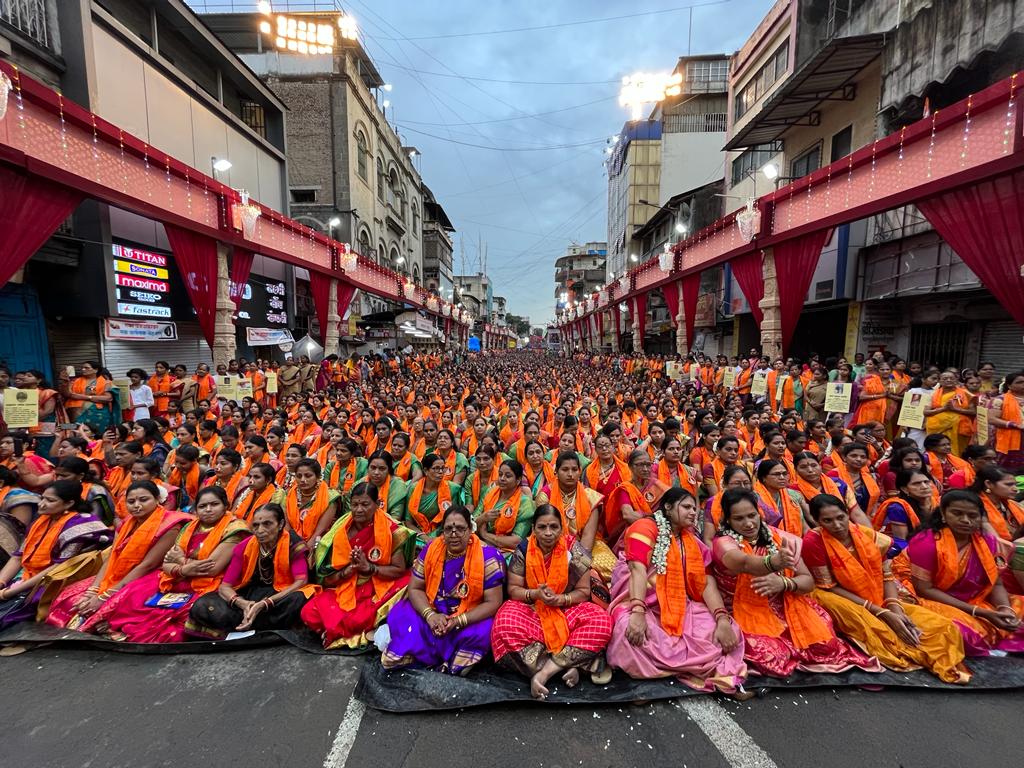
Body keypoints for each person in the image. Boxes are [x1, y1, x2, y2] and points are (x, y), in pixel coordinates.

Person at [802, 494, 970, 683]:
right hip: (836, 597)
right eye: (828, 521)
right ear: (817, 521)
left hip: (877, 594)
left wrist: (894, 608)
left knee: (944, 628)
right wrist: (881, 612)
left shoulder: (867, 535)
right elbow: (828, 586)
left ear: (847, 514)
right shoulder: (813, 542)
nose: (838, 525)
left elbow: (886, 576)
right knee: (885, 638)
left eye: (841, 517)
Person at [712, 488, 881, 677]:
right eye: (739, 519)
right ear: (728, 520)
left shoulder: (781, 539)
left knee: (826, 645)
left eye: (752, 515)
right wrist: (774, 562)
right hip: (744, 610)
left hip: (785, 606)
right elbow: (743, 562)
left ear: (760, 513)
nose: (748, 523)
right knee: (771, 655)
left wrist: (784, 583)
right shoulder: (723, 543)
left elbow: (808, 581)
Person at [606, 488, 747, 694]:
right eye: (686, 507)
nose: (693, 513)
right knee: (626, 634)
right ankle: (688, 666)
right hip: (638, 603)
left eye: (695, 509)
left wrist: (721, 618)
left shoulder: (692, 542)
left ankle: (667, 668)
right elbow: (637, 570)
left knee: (730, 630)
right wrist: (638, 612)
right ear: (668, 508)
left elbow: (706, 583)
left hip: (681, 605)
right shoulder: (644, 528)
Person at [491, 505, 613, 698]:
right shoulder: (524, 549)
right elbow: (514, 591)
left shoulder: (575, 550)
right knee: (504, 623)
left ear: (561, 528)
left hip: (567, 609)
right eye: (542, 527)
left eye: (554, 527)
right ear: (533, 529)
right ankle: (574, 665)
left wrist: (561, 599)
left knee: (600, 620)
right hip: (533, 610)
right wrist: (535, 595)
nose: (548, 533)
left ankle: (544, 673)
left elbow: (583, 592)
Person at [47, 480, 190, 632]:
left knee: (108, 607)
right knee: (70, 597)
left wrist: (104, 596)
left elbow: (148, 565)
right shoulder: (127, 522)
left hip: (151, 575)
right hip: (120, 572)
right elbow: (112, 556)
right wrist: (93, 590)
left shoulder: (170, 525)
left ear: (157, 499)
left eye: (144, 500)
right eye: (131, 501)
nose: (136, 505)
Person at [381, 506, 505, 675]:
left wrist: (457, 621)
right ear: (443, 532)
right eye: (448, 529)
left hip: (468, 616)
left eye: (460, 529)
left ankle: (431, 655)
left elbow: (493, 602)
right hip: (433, 611)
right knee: (402, 613)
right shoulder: (431, 549)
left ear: (470, 530)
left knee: (486, 629)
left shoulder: (488, 556)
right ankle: (438, 655)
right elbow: (415, 588)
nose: (454, 534)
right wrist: (430, 615)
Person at [907, 490, 1024, 654]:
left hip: (977, 599)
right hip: (934, 600)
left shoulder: (989, 543)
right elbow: (924, 590)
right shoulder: (927, 542)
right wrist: (980, 612)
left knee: (1018, 610)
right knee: (960, 634)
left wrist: (1005, 609)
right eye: (957, 513)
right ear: (943, 514)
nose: (965, 520)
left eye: (972, 516)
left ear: (981, 518)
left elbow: (996, 583)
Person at [302, 482, 411, 648]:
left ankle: (338, 631)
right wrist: (347, 571)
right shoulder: (339, 533)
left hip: (378, 585)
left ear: (377, 504)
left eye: (365, 504)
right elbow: (326, 579)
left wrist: (370, 568)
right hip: (346, 588)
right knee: (308, 612)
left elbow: (398, 570)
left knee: (409, 584)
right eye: (355, 504)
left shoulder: (392, 531)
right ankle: (363, 633)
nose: (359, 509)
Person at [189, 503, 314, 638]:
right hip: (250, 596)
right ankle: (256, 623)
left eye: (267, 524)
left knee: (300, 599)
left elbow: (301, 581)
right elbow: (225, 586)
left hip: (281, 596)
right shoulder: (244, 547)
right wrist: (243, 604)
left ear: (280, 524)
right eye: (256, 525)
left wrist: (265, 604)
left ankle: (245, 625)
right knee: (202, 605)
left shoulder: (293, 544)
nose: (260, 530)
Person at [0, 480, 111, 628]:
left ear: (68, 504)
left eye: (50, 500)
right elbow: (18, 556)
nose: (42, 504)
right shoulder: (41, 520)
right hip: (29, 574)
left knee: (10, 615)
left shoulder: (77, 527)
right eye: (42, 498)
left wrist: (10, 592)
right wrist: (1, 582)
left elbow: (58, 568)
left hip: (57, 578)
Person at [604, 449, 670, 547]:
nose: (645, 469)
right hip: (632, 532)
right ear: (630, 467)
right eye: (640, 465)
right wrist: (654, 520)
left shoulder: (657, 485)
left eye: (648, 464)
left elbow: (673, 504)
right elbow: (628, 515)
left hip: (659, 532)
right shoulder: (626, 488)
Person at [475, 459, 535, 560]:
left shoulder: (525, 504)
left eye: (508, 476)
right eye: (500, 474)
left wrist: (485, 535)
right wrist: (483, 518)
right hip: (481, 542)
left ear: (518, 480)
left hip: (507, 551)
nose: (502, 478)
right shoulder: (490, 492)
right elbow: (470, 522)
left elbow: (516, 541)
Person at [403, 453, 463, 547]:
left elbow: (452, 519)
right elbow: (408, 521)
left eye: (443, 468)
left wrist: (434, 537)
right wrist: (424, 537)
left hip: (442, 534)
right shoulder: (413, 489)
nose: (440, 472)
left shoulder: (452, 489)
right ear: (426, 471)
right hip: (418, 534)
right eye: (436, 468)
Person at [283, 458, 340, 555]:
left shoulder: (330, 497)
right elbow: (286, 526)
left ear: (318, 477)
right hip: (292, 540)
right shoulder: (289, 494)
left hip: (320, 541)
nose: (303, 480)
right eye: (299, 476)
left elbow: (320, 531)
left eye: (308, 476)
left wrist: (304, 550)